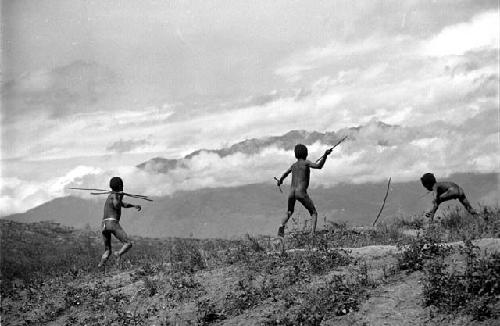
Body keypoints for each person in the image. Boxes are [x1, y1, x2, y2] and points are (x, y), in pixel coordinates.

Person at [276, 144, 333, 237]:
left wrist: (280, 181)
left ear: (296, 154)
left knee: (289, 211)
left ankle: (281, 226)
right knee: (313, 212)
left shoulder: (293, 165)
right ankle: (312, 234)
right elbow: (319, 166)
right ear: (306, 153)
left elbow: (285, 174)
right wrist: (325, 155)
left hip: (291, 192)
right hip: (300, 192)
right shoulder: (306, 162)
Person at [98, 177, 141, 267]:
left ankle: (100, 266)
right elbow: (117, 205)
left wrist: (133, 205)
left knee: (107, 250)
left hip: (104, 225)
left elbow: (122, 204)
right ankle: (118, 254)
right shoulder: (115, 196)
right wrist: (120, 195)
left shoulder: (111, 196)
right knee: (128, 243)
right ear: (120, 186)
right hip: (112, 223)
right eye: (122, 186)